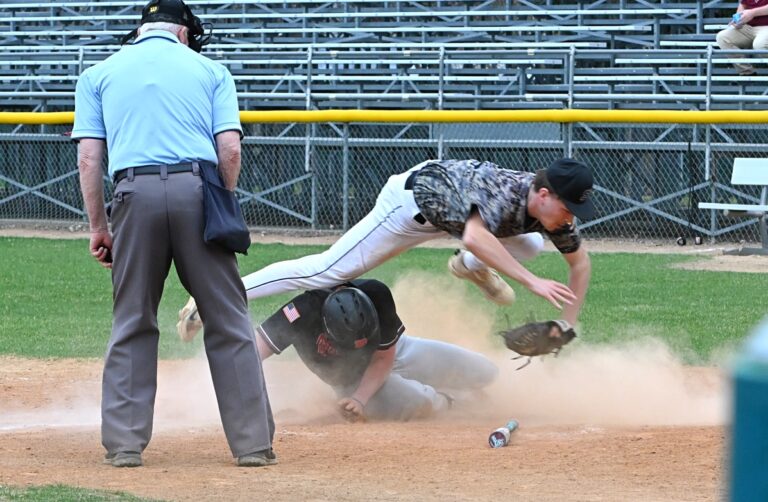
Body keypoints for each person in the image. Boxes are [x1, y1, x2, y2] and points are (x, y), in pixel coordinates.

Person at [73, 0, 275, 468]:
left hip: (132, 194)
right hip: (196, 190)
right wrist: (220, 203)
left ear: (142, 30)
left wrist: (100, 228)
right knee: (227, 320)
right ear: (183, 33)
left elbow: (89, 159)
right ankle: (253, 446)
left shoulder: (98, 73)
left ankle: (124, 445)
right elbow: (229, 149)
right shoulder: (211, 70)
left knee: (132, 321)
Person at [178, 157, 595, 342]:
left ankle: (471, 268)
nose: (570, 217)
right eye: (567, 206)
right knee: (326, 272)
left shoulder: (550, 215)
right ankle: (210, 300)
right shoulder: (505, 195)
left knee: (532, 243)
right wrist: (532, 283)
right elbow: (473, 234)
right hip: (407, 208)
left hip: (457, 220)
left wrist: (567, 327)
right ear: (543, 193)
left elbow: (580, 265)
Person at [255, 279, 498, 421]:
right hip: (352, 383)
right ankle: (452, 400)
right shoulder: (300, 313)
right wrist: (358, 399)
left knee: (485, 371)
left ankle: (461, 386)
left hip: (395, 352)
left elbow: (384, 357)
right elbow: (253, 349)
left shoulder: (376, 294)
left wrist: (361, 400)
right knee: (420, 401)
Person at [716, 1, 768, 76]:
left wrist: (752, 13)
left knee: (760, 44)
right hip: (747, 28)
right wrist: (738, 21)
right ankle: (746, 72)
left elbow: (751, 12)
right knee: (722, 37)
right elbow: (742, 7)